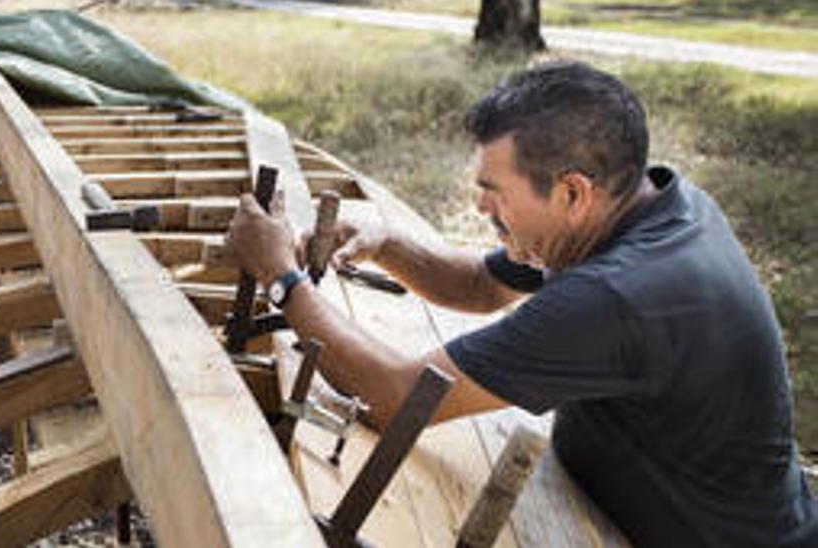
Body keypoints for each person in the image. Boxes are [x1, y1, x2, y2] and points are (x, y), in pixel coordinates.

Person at [225, 61, 816, 547]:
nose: (482, 209)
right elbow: (481, 286)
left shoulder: (617, 295)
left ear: (572, 193)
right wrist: (388, 244)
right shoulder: (646, 207)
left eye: (493, 193)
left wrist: (281, 277)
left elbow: (397, 399)